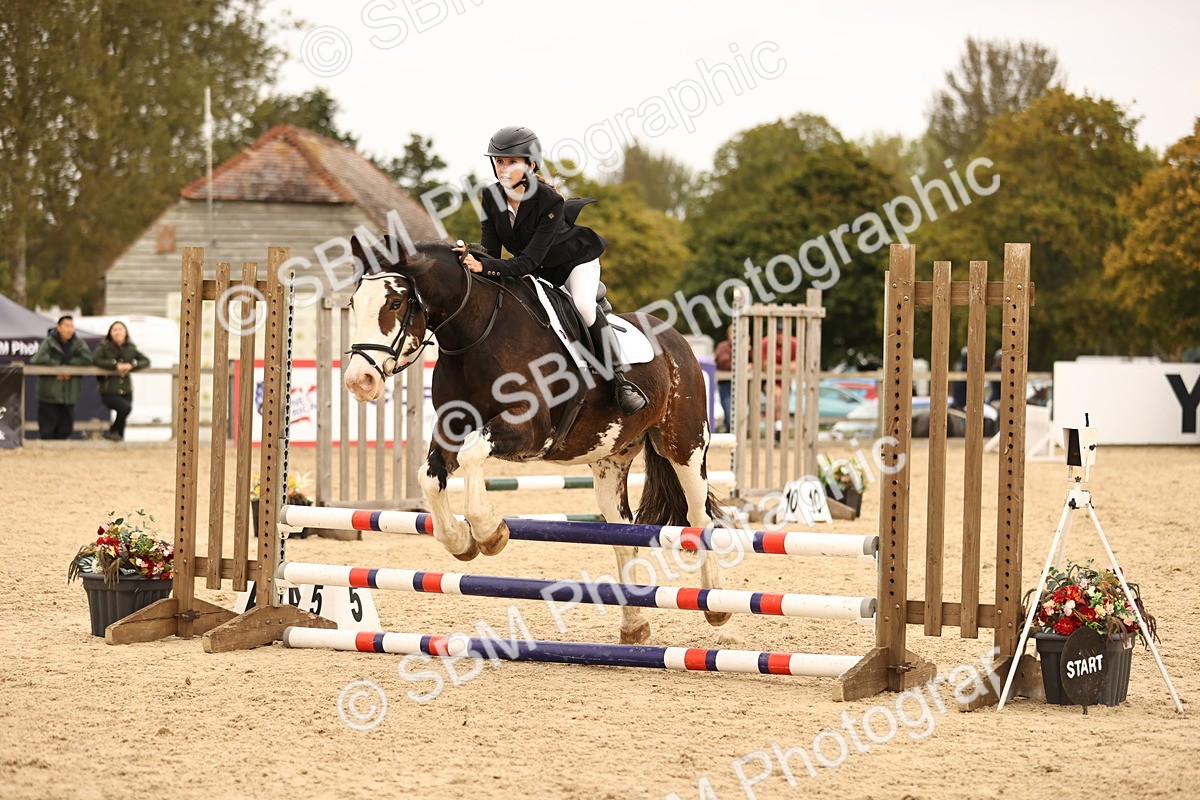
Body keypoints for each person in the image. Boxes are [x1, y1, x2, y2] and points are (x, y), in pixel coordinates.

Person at [453, 126, 647, 416]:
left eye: (511, 162)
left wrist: (486, 265)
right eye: (499, 162)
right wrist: (470, 257)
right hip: (537, 268)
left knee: (582, 306)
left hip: (572, 263)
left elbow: (527, 262)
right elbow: (492, 253)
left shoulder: (548, 200)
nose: (503, 169)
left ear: (530, 165)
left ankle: (620, 381)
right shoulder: (490, 196)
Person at [29, 315, 93, 439]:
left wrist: (68, 368)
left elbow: (88, 359)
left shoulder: (78, 343)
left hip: (69, 394)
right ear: (58, 327)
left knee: (66, 428)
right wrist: (57, 368)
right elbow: (37, 359)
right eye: (67, 326)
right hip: (49, 393)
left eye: (72, 326)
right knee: (47, 429)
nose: (70, 329)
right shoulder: (49, 342)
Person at [92, 321, 150, 441]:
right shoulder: (104, 347)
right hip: (109, 389)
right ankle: (113, 431)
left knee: (123, 414)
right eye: (115, 329)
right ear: (110, 333)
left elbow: (145, 361)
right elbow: (96, 360)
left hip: (126, 388)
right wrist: (115, 366)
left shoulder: (130, 348)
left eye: (120, 329)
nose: (118, 332)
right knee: (125, 408)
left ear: (125, 332)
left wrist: (132, 365)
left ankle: (118, 438)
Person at [713, 324, 736, 433]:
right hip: (726, 384)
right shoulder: (723, 347)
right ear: (729, 335)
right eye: (733, 333)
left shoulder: (747, 347)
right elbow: (724, 364)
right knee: (729, 416)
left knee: (740, 416)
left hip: (742, 386)